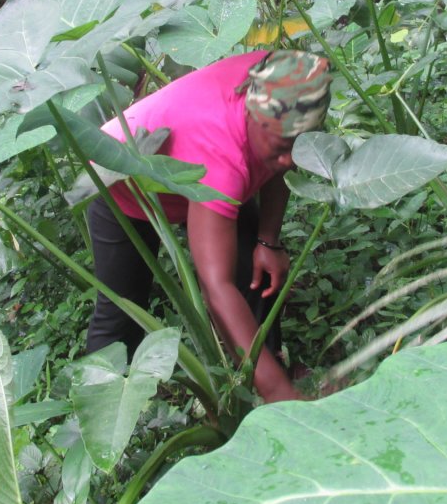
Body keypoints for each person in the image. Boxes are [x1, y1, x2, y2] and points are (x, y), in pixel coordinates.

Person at [84, 48, 331, 403]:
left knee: (254, 274)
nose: (289, 160)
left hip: (196, 160)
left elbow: (282, 161)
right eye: (280, 149)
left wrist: (268, 241)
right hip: (123, 176)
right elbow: (216, 288)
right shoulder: (221, 156)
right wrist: (284, 397)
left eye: (298, 147)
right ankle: (100, 404)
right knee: (121, 310)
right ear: (253, 118)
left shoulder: (286, 79)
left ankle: (266, 367)